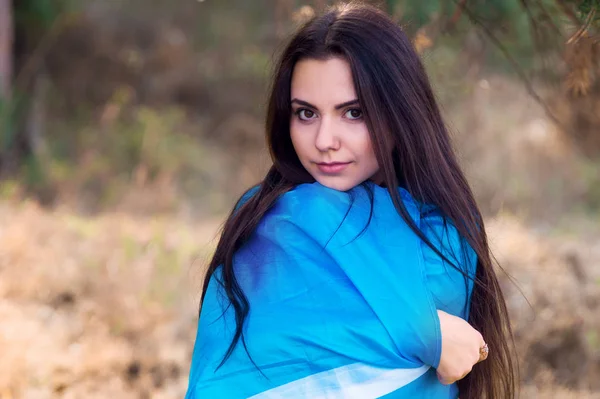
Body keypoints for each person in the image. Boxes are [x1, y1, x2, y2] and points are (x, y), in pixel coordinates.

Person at [186, 3, 515, 398]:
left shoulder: (444, 231)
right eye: (306, 113)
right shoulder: (270, 223)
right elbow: (282, 348)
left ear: (400, 112)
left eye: (353, 113)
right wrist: (426, 332)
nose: (325, 140)